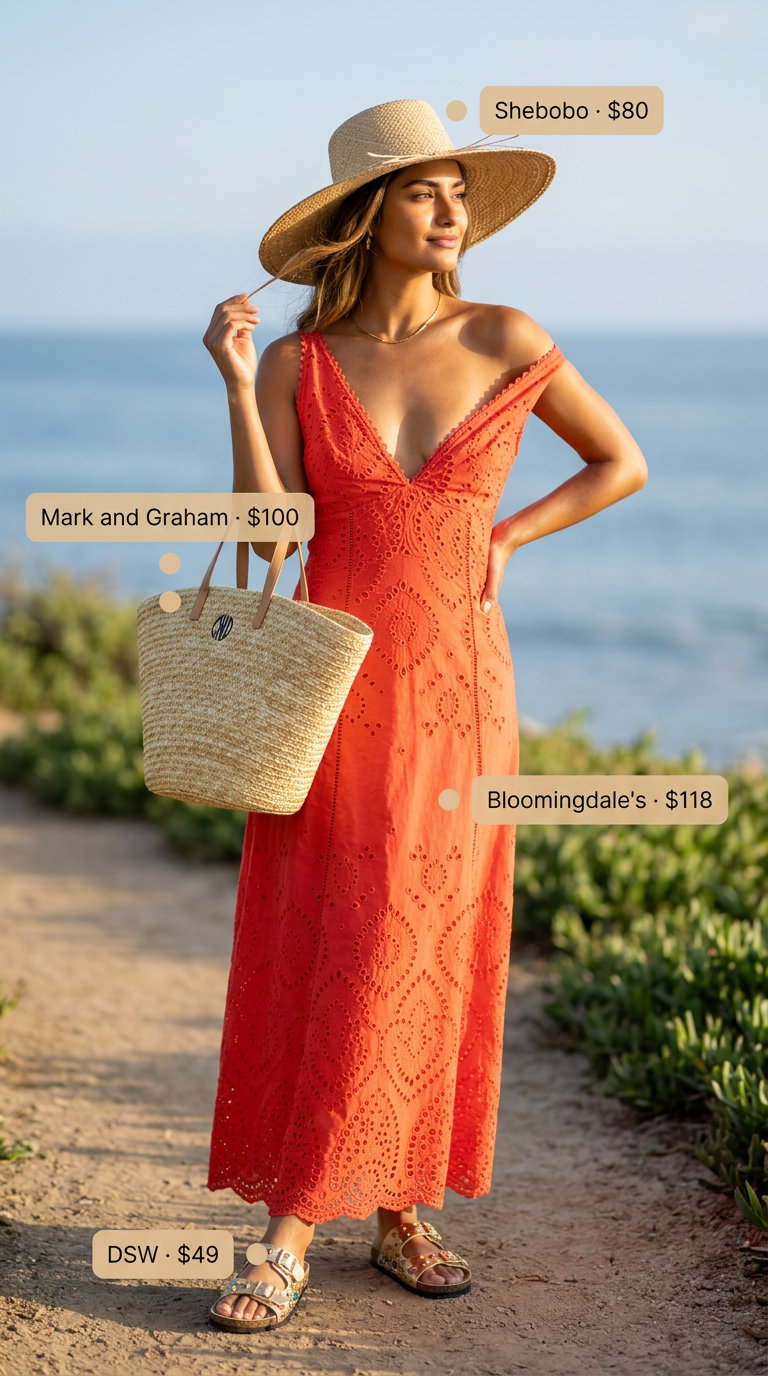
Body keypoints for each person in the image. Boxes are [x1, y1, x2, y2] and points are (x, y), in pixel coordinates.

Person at [202, 99, 647, 1332]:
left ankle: (373, 1209)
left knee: (424, 929)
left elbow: (621, 461)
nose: (450, 212)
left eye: (458, 192)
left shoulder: (505, 334)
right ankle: (312, 1205)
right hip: (334, 688)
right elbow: (268, 530)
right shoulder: (299, 362)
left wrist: (506, 532)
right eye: (423, 192)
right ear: (368, 215)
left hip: (459, 689)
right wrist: (240, 385)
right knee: (331, 933)